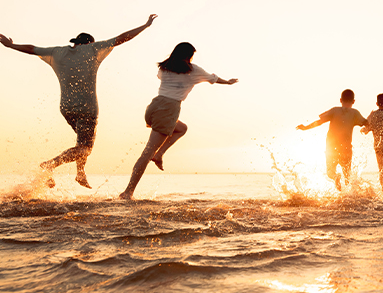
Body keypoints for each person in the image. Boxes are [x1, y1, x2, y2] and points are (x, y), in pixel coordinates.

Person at [0, 14, 158, 189]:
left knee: (81, 141)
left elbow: (32, 48)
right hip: (87, 108)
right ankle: (49, 165)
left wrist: (10, 45)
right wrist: (145, 26)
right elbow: (122, 38)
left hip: (66, 108)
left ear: (75, 43)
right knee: (86, 147)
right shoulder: (93, 49)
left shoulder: (57, 52)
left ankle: (80, 173)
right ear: (89, 43)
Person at [118, 42, 238, 200]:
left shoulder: (164, 67)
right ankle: (128, 192)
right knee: (146, 153)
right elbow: (212, 79)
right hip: (168, 110)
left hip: (154, 107)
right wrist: (228, 82)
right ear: (189, 56)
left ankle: (159, 154)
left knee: (181, 128)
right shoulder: (193, 70)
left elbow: (162, 78)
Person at [297, 89, 368, 191]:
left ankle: (335, 177)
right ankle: (350, 196)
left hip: (331, 147)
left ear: (340, 100)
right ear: (353, 101)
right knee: (348, 175)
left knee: (330, 172)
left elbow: (319, 122)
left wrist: (305, 127)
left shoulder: (334, 110)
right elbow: (366, 123)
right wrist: (370, 120)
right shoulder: (355, 113)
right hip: (346, 148)